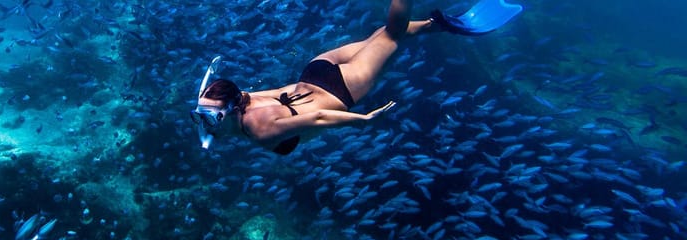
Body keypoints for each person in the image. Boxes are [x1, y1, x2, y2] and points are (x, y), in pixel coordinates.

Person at [190, 0, 523, 155]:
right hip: (316, 69)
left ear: (230, 112)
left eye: (209, 117)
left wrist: (360, 121)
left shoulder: (260, 130)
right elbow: (222, 97)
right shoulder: (240, 99)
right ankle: (440, 25)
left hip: (339, 88)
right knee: (381, 37)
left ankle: (434, 21)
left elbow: (318, 117)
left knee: (391, 35)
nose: (204, 124)